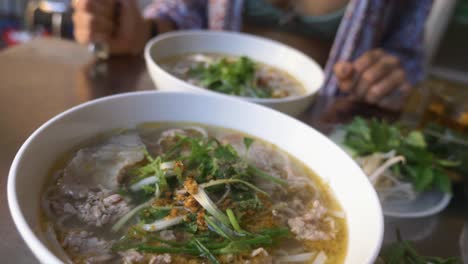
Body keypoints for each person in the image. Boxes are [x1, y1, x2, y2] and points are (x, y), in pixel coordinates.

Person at [72, 0, 433, 110]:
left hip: (318, 119)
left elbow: (407, 56)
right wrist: (136, 31)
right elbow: (183, 16)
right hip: (195, 103)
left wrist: (386, 75)